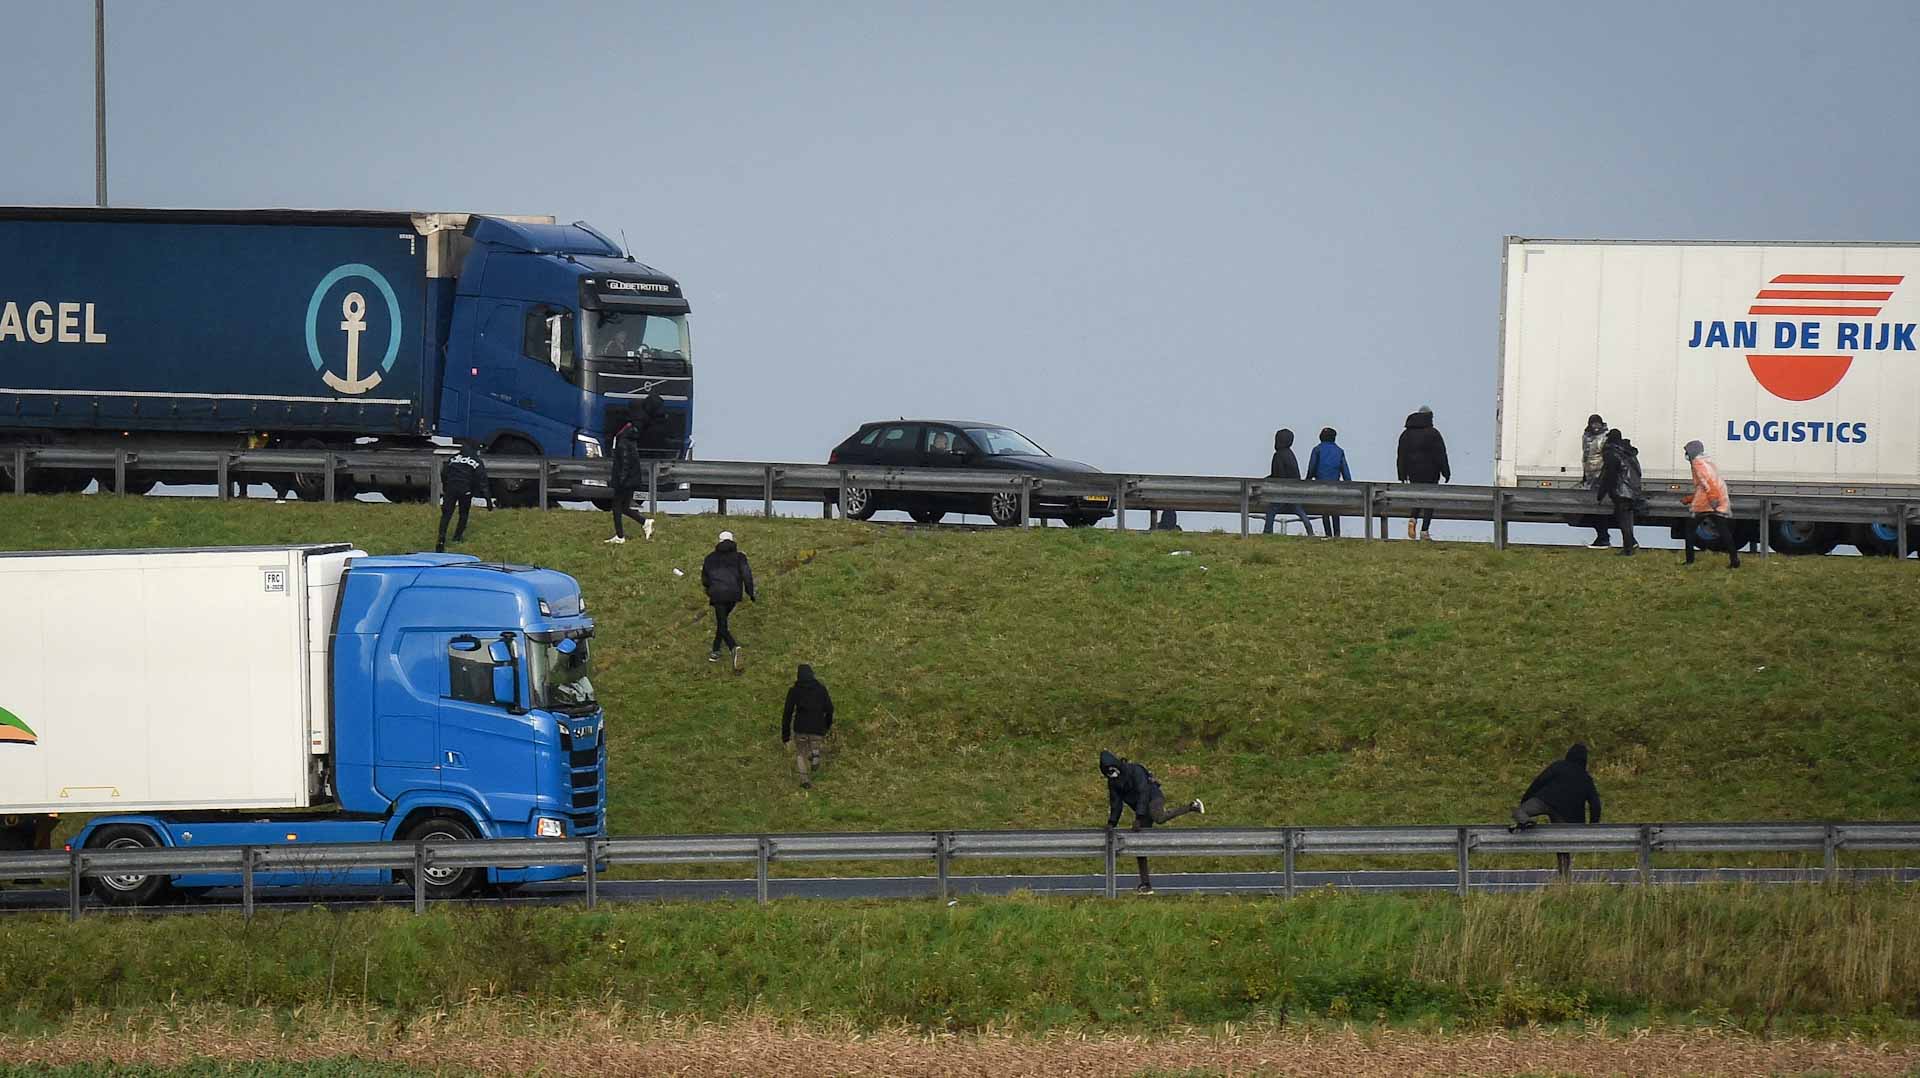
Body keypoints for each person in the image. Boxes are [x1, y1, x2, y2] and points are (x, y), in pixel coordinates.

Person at [1099, 749, 1205, 895]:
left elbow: (1144, 793)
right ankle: (1145, 884)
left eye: (1113, 771)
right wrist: (1112, 822)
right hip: (1140, 808)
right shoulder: (1113, 783)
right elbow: (1116, 804)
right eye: (1108, 773)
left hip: (1153, 797)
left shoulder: (1135, 770)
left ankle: (1191, 806)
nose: (1112, 775)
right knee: (1139, 845)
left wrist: (1139, 817)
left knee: (1158, 817)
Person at [1509, 742, 1603, 878]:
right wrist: (1593, 825)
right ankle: (1564, 877)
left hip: (1544, 800)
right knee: (1562, 844)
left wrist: (1525, 800)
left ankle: (1525, 821)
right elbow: (1595, 804)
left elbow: (1539, 781)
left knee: (1518, 811)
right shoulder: (1586, 778)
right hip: (1565, 813)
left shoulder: (1559, 766)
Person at [604, 400, 658, 544]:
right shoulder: (631, 437)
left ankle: (620, 536)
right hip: (631, 478)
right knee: (625, 507)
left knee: (617, 507)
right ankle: (645, 522)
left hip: (624, 479)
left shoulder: (624, 440)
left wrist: (621, 479)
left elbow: (625, 462)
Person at [701, 529, 756, 670]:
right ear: (732, 541)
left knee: (722, 623)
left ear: (719, 541)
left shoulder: (709, 558)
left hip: (717, 594)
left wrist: (709, 590)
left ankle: (733, 647)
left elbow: (705, 579)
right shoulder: (740, 557)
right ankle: (715, 650)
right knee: (722, 621)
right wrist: (750, 592)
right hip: (733, 594)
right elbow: (746, 575)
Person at [1395, 405, 1451, 540]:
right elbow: (1441, 454)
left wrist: (1401, 474)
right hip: (1431, 473)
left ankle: (1413, 518)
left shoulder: (1406, 434)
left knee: (1418, 496)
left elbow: (1401, 455)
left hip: (1413, 473)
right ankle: (1424, 531)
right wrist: (1446, 472)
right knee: (1430, 499)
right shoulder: (1433, 433)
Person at [1682, 439, 1740, 569]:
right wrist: (1691, 498)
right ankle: (1734, 560)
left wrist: (1712, 499)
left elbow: (1707, 481)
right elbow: (1705, 485)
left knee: (1689, 530)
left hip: (1707, 503)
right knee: (1724, 531)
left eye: (1687, 451)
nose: (1686, 455)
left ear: (1692, 452)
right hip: (1716, 500)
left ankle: (1690, 561)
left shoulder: (1698, 463)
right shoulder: (1707, 461)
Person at [781, 664, 835, 788]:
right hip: (817, 727)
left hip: (800, 727)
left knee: (801, 753)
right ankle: (815, 753)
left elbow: (787, 713)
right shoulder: (821, 689)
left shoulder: (794, 690)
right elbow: (830, 709)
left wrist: (785, 735)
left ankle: (805, 780)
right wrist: (827, 725)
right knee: (814, 745)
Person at [435, 442, 492, 553]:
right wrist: (488, 500)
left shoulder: (453, 458)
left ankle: (441, 539)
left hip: (451, 489)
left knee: (446, 515)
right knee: (463, 513)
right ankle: (457, 536)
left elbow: (444, 473)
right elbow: (483, 481)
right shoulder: (476, 461)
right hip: (465, 490)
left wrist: (446, 487)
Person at [1594, 429, 1643, 555]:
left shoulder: (1612, 453)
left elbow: (1610, 475)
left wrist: (1601, 494)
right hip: (1632, 490)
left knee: (1623, 522)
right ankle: (1631, 545)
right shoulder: (1628, 452)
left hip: (1621, 491)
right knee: (1628, 521)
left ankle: (1628, 549)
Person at [1263, 429, 1313, 536]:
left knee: (1271, 510)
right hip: (1294, 491)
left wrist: (1267, 479)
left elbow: (1277, 475)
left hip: (1282, 492)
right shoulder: (1291, 454)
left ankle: (1267, 532)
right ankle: (1310, 531)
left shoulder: (1278, 455)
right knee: (1299, 510)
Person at [1305, 427, 1351, 537]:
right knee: (1335, 510)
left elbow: (1312, 468)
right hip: (1336, 486)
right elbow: (1346, 472)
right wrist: (1349, 484)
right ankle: (1337, 534)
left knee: (1324, 511)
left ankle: (1328, 534)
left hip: (1320, 485)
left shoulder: (1317, 449)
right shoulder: (1339, 451)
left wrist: (1307, 481)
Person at [1580, 414, 1611, 547]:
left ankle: (1603, 537)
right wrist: (1584, 476)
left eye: (1598, 424)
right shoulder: (1586, 436)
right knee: (1592, 509)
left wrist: (1604, 476)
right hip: (1589, 476)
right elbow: (1586, 456)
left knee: (1599, 508)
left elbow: (1606, 456)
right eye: (1593, 424)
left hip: (1600, 476)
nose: (1595, 426)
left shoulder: (1605, 437)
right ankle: (1602, 536)